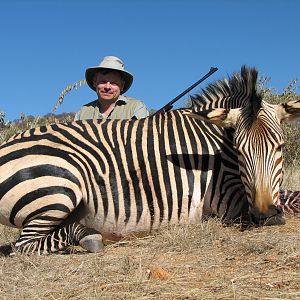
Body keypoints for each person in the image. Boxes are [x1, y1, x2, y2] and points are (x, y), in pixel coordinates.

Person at [74, 56, 149, 120]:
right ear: (95, 82)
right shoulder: (83, 113)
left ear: (122, 86)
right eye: (103, 82)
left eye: (113, 83)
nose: (107, 87)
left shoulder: (136, 108)